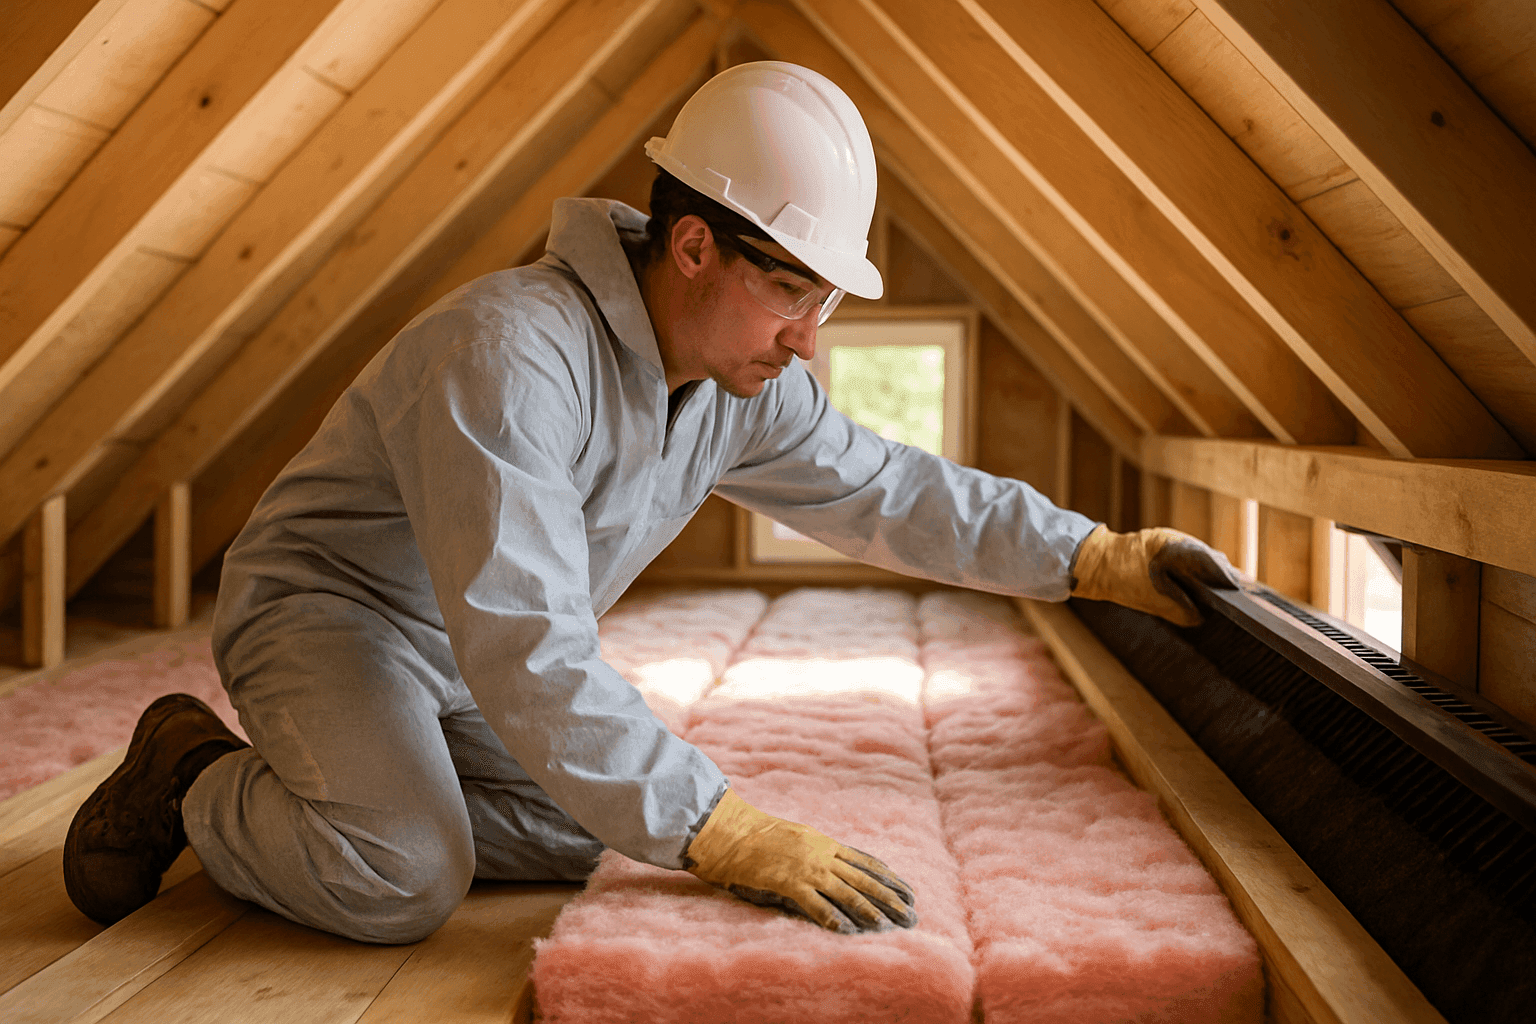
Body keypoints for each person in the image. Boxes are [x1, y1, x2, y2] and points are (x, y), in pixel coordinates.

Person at [63, 61, 1236, 942]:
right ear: (690, 246)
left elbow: (886, 487)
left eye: (822, 302)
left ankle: (387, 772)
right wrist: (725, 830)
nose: (808, 338)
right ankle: (194, 773)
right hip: (333, 619)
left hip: (466, 651)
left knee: (600, 826)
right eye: (788, 293)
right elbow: (526, 640)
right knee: (407, 873)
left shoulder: (739, 383)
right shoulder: (510, 355)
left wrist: (1097, 557)